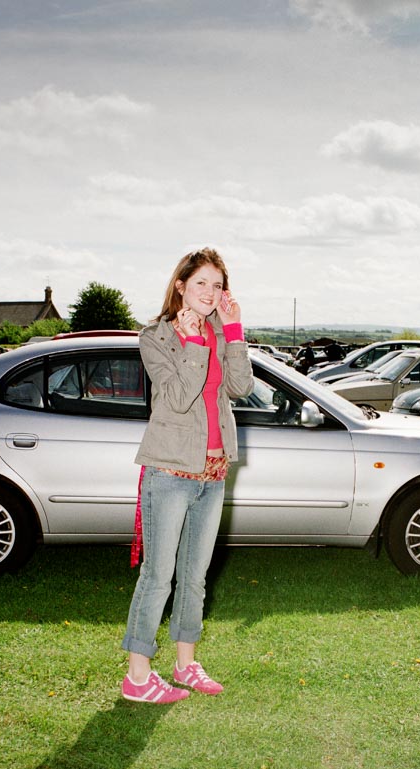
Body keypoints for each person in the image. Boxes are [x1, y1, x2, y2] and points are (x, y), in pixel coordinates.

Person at [121, 248, 254, 704]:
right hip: (170, 470)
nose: (210, 293)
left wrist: (232, 331)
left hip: (213, 471)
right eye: (201, 283)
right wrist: (195, 343)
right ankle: (138, 677)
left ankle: (185, 664)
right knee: (158, 577)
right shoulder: (156, 337)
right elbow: (177, 398)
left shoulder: (220, 331)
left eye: (218, 285)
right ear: (180, 285)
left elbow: (240, 387)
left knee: (195, 576)